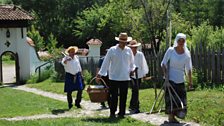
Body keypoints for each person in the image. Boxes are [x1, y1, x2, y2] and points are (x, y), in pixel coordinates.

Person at [96, 32, 136, 118]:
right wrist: (100, 74)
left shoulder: (128, 50)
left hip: (125, 77)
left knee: (123, 96)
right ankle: (112, 113)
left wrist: (132, 70)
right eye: (122, 41)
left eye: (125, 41)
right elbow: (106, 62)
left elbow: (132, 63)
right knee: (113, 96)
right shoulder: (112, 50)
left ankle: (122, 113)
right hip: (114, 77)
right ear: (119, 41)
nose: (123, 43)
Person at [161, 33, 193, 123]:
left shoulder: (187, 53)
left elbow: (189, 69)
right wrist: (166, 76)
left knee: (181, 99)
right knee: (171, 99)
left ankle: (177, 116)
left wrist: (190, 82)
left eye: (183, 41)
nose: (181, 42)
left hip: (180, 79)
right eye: (179, 40)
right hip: (170, 79)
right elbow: (163, 63)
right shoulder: (171, 50)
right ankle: (171, 117)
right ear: (176, 41)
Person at [127, 40, 149, 114]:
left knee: (135, 90)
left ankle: (132, 105)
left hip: (138, 75)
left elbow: (143, 64)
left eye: (135, 47)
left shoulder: (140, 54)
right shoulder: (128, 54)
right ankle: (136, 106)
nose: (134, 48)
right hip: (131, 75)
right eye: (133, 47)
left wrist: (144, 74)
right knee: (135, 90)